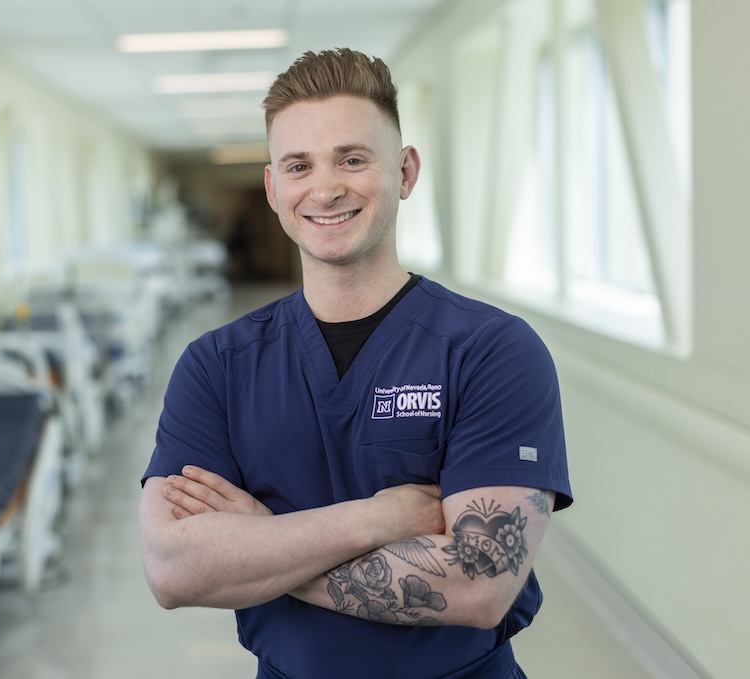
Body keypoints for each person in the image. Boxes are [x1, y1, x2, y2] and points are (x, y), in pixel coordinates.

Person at [139, 48, 573, 679]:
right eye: (299, 165)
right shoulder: (217, 367)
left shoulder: (493, 351)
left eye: (352, 158)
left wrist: (260, 543)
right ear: (273, 188)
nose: (326, 188)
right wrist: (376, 518)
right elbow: (174, 570)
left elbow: (482, 584)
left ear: (405, 171)